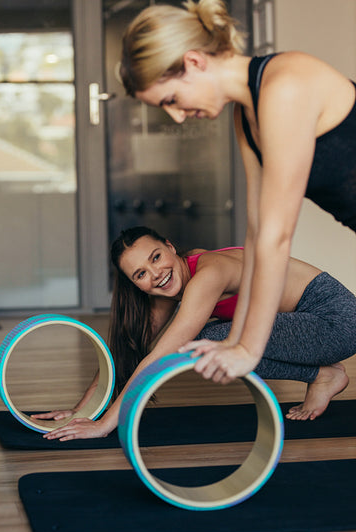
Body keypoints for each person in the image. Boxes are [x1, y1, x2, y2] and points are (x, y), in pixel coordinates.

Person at [119, 0, 356, 386]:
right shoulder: (247, 115)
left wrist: (248, 347)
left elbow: (277, 236)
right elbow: (258, 231)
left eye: (171, 100)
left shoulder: (285, 87)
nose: (177, 116)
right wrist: (238, 338)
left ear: (194, 62)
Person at [32, 226, 356, 441]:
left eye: (156, 257)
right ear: (135, 284)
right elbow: (134, 352)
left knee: (211, 342)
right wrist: (85, 409)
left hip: (337, 320)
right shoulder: (170, 285)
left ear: (170, 247)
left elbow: (160, 357)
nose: (155, 274)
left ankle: (321, 373)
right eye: (141, 274)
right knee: (213, 338)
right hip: (307, 324)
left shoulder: (207, 274)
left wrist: (104, 426)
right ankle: (322, 373)